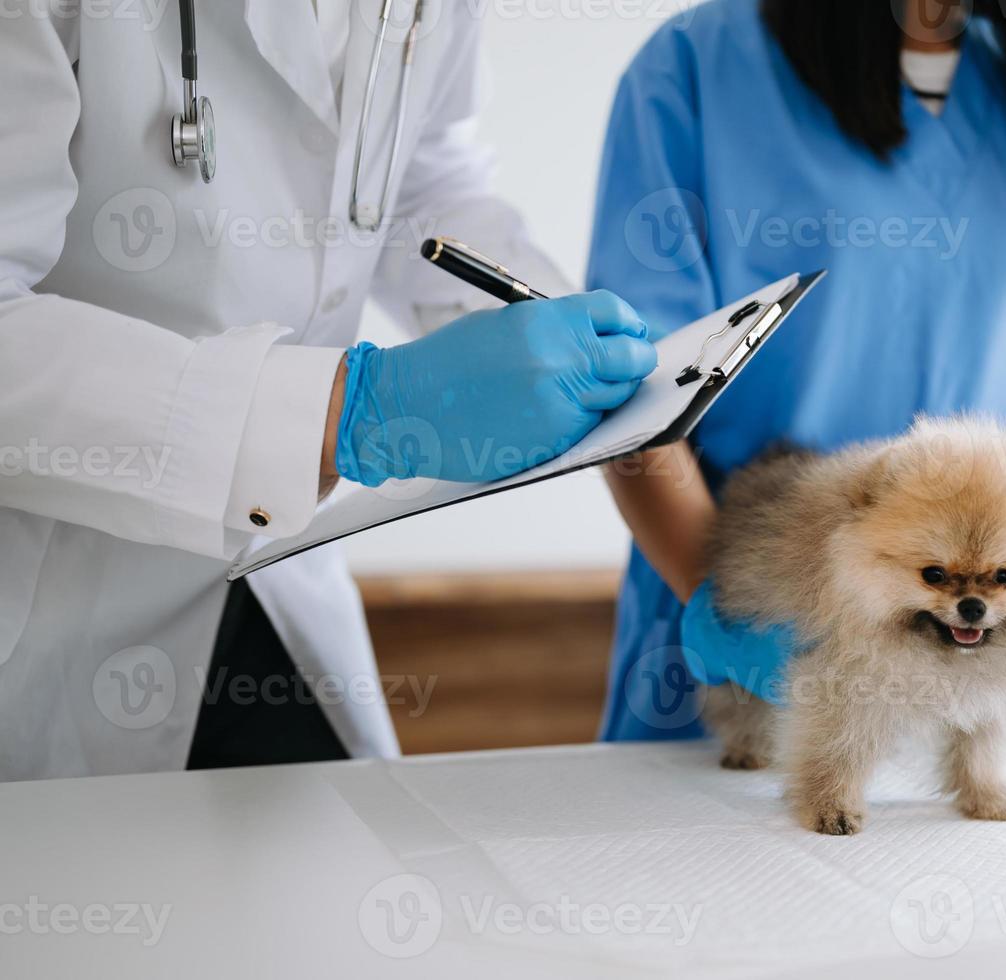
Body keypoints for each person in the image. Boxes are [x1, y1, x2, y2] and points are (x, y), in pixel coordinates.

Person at [0, 3, 656, 779]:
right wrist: (351, 410)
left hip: (273, 564)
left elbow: (418, 180)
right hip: (48, 598)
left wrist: (545, 321)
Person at [588, 0, 1006, 740]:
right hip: (757, 648)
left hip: (1002, 684)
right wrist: (723, 609)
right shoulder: (699, 63)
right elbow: (629, 393)